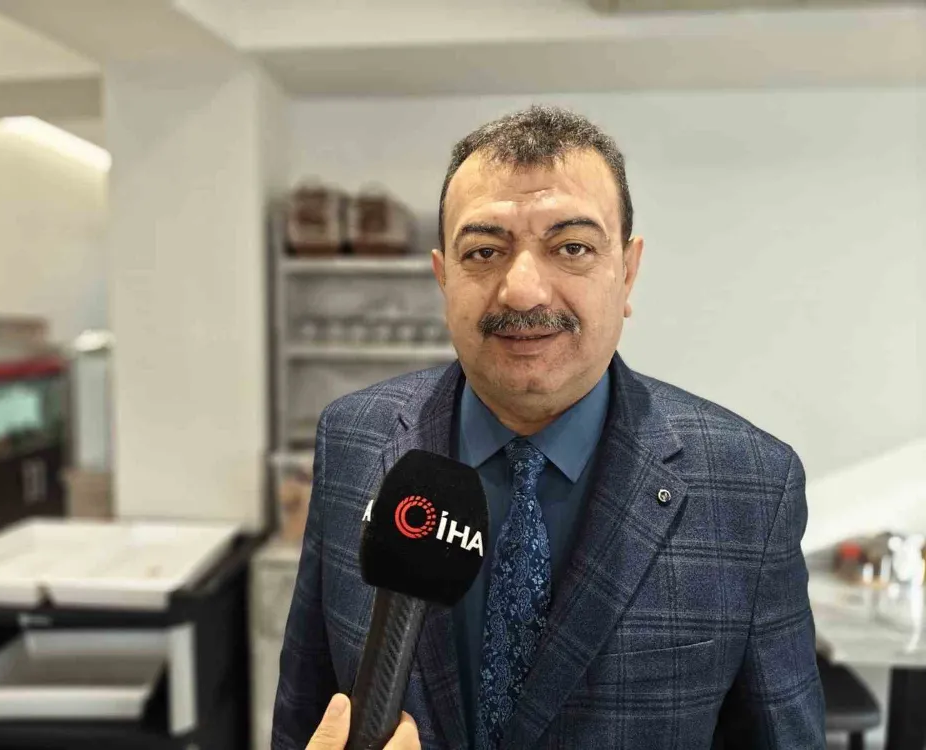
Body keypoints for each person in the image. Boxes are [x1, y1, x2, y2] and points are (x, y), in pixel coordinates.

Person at [273, 105, 826, 749]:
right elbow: (306, 708)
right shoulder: (352, 439)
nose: (523, 291)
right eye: (484, 252)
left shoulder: (752, 485)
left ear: (627, 272)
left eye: (572, 248)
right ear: (443, 279)